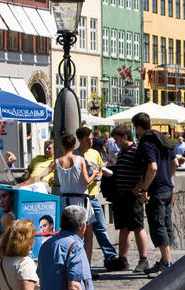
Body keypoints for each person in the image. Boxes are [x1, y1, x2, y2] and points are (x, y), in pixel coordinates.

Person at [131, 112, 179, 278]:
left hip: (156, 191)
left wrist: (144, 189)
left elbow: (152, 167)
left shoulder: (147, 142)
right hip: (167, 188)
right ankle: (165, 260)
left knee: (158, 226)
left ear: (137, 127)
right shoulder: (162, 139)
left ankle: (166, 263)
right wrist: (168, 178)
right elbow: (175, 163)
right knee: (166, 225)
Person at [75, 126, 122, 271]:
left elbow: (100, 169)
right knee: (81, 232)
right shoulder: (76, 155)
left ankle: (110, 256)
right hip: (82, 197)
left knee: (101, 228)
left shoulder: (94, 153)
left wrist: (101, 174)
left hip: (94, 196)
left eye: (91, 139)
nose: (91, 142)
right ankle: (80, 260)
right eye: (87, 139)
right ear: (80, 140)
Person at [111, 124, 151, 274]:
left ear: (124, 137)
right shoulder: (122, 152)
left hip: (133, 196)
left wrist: (140, 188)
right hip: (121, 196)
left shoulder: (136, 151)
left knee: (138, 227)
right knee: (123, 228)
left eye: (116, 139)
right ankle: (123, 259)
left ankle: (143, 259)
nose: (115, 143)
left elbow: (146, 170)